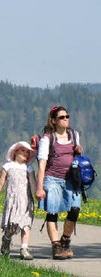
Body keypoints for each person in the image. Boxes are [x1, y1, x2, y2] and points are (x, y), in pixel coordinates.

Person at [35, 105, 83, 260]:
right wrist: (39, 187)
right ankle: (56, 247)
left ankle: (65, 241)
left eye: (67, 116)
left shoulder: (74, 135)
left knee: (75, 209)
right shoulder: (47, 139)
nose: (66, 119)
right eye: (62, 117)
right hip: (52, 179)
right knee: (53, 212)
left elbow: (76, 157)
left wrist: (78, 151)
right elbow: (42, 164)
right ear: (53, 121)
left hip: (71, 179)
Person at [0, 141, 37, 260]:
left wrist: (37, 195)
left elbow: (32, 183)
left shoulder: (29, 168)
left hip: (26, 200)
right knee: (13, 224)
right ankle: (6, 239)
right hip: (13, 200)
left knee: (26, 224)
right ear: (15, 152)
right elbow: (1, 182)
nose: (25, 154)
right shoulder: (8, 166)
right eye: (23, 151)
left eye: (27, 152)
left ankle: (24, 248)